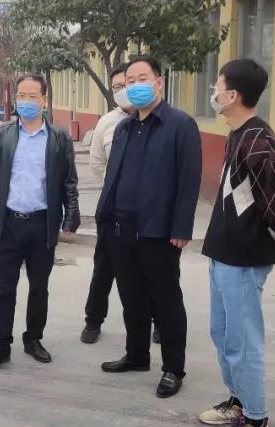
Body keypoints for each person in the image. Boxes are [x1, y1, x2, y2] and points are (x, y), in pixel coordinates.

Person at [197, 59, 275, 427]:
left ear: (233, 95)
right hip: (224, 250)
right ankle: (238, 401)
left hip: (243, 256)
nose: (214, 92)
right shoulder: (238, 134)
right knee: (222, 333)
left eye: (218, 86)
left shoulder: (258, 141)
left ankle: (256, 422)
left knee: (242, 340)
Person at [96, 56, 202, 398]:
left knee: (166, 301)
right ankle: (137, 354)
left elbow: (189, 181)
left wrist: (181, 228)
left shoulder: (180, 125)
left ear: (159, 82)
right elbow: (113, 176)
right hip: (120, 228)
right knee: (132, 298)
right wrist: (105, 216)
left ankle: (173, 368)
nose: (136, 85)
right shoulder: (124, 127)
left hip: (159, 232)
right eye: (130, 81)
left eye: (143, 78)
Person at [0, 74, 80, 373]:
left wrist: (71, 215)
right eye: (22, 96)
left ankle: (33, 339)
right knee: (3, 289)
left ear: (44, 101)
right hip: (7, 223)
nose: (26, 101)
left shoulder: (58, 138)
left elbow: (69, 182)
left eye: (33, 96)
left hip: (41, 224)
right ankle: (0, 345)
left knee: (39, 287)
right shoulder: (2, 135)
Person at [80, 62, 148, 344]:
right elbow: (97, 163)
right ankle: (93, 320)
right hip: (112, 210)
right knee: (104, 268)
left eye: (127, 85)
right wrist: (115, 186)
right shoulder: (107, 123)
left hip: (147, 213)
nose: (123, 90)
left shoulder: (159, 122)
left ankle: (155, 320)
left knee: (149, 270)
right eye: (117, 87)